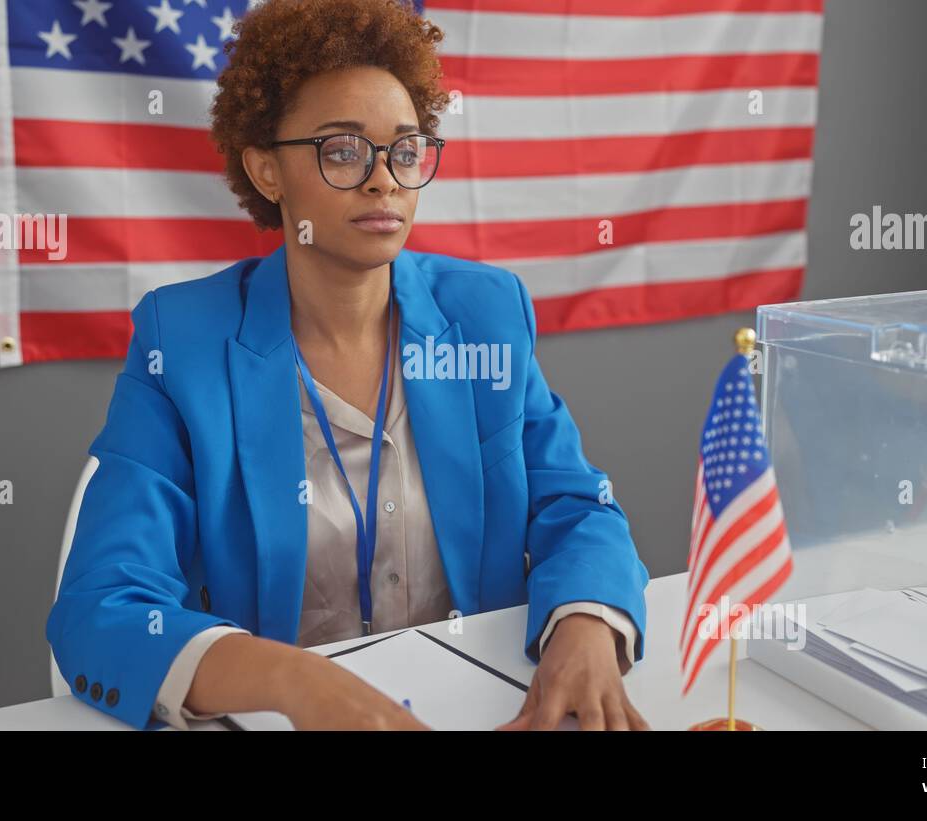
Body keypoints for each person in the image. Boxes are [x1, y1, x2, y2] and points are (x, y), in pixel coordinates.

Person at [46, 0, 650, 731]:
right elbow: (101, 604)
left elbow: (578, 503)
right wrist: (295, 683)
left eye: (404, 148)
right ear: (267, 169)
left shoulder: (486, 312)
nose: (383, 180)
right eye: (341, 150)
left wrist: (585, 623)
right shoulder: (185, 342)